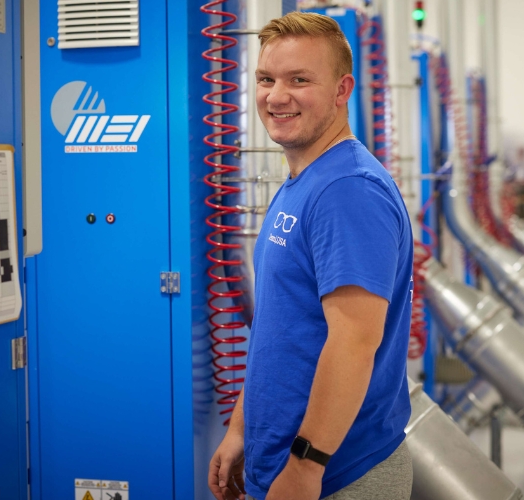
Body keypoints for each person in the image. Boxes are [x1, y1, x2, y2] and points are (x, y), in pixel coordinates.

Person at [208, 11, 414, 500]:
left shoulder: (347, 190)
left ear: (342, 90)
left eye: (300, 80)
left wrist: (306, 466)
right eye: (266, 79)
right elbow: (282, 329)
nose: (277, 96)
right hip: (284, 459)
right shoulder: (308, 179)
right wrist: (242, 426)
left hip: (336, 474)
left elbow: (355, 341)